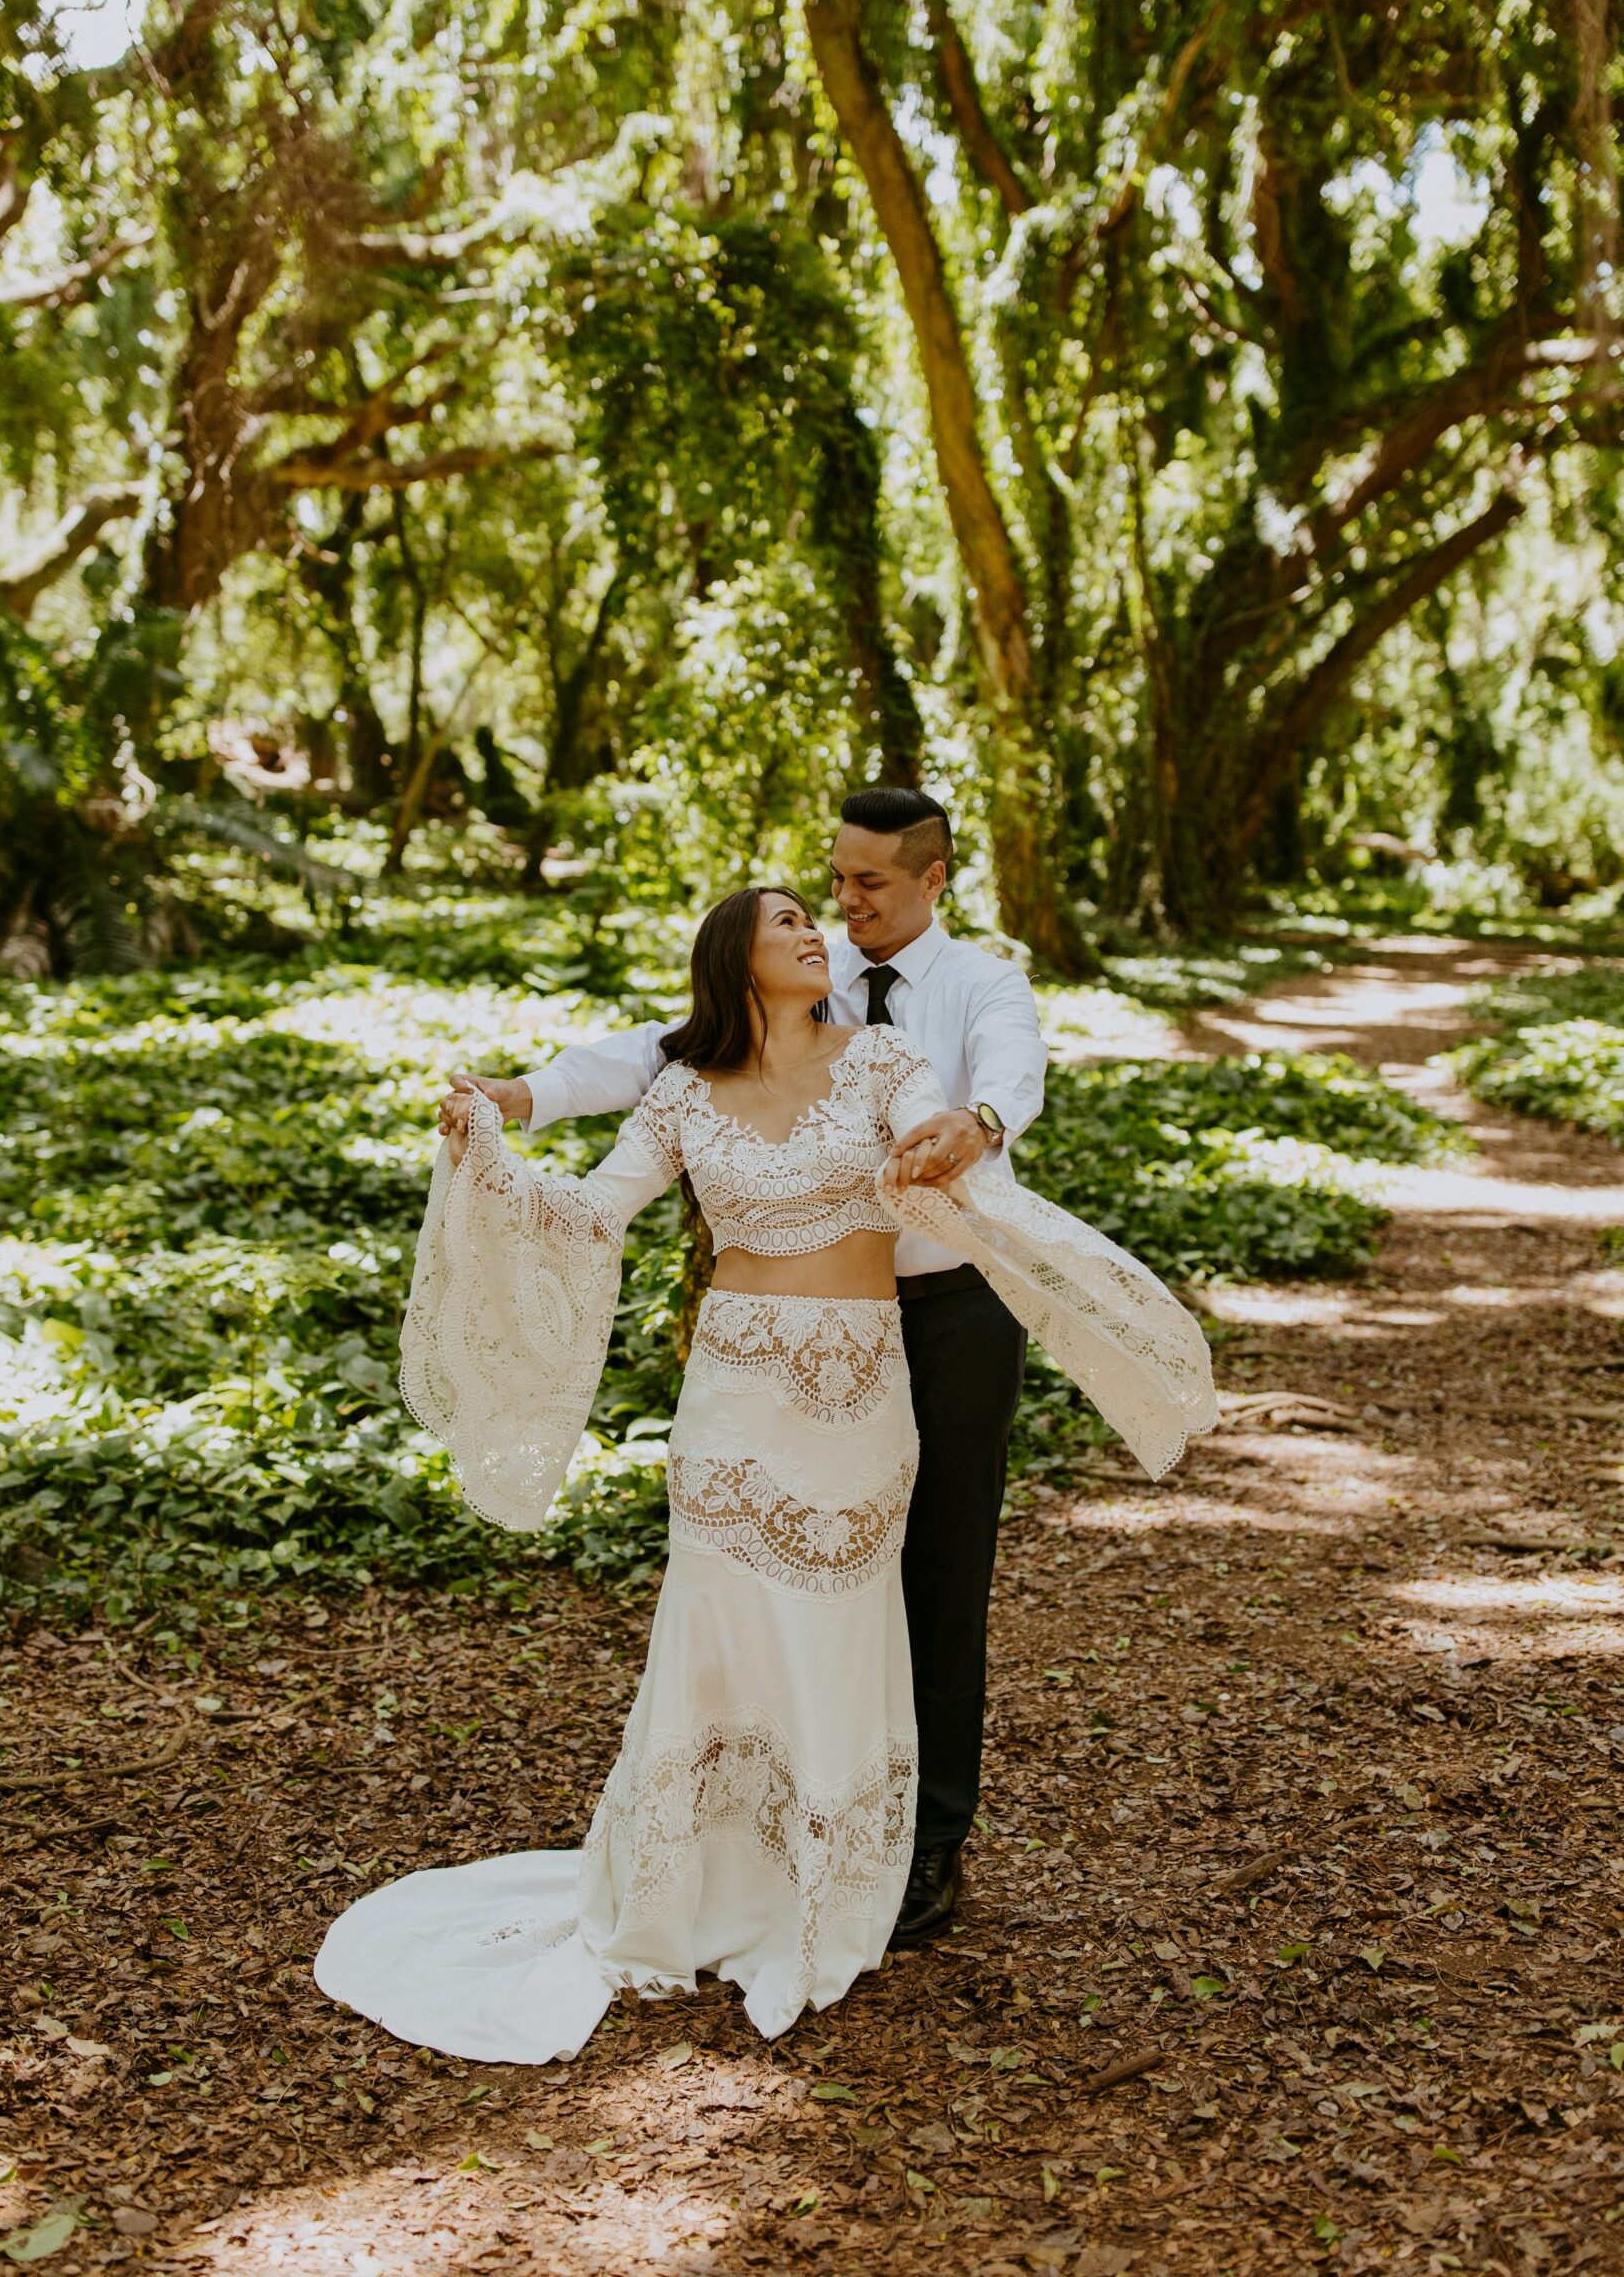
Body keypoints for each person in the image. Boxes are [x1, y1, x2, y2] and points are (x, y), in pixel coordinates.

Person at [314, 883, 1216, 2067]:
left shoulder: (889, 1061)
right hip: (735, 1397)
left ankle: (831, 1879)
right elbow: (591, 1213)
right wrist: (489, 1156)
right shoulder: (685, 1092)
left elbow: (953, 1152)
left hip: (860, 1394)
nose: (813, 932)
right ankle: (697, 1887)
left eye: (815, 918)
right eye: (789, 920)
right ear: (736, 956)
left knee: (844, 1628)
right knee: (724, 1634)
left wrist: (980, 1146)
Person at [451, 788, 1048, 1943]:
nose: (844, 902)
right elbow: (655, 1056)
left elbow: (1010, 1072)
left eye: (868, 882)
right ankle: (749, 1838)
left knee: (940, 1572)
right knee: (744, 1598)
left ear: (932, 880)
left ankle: (923, 1842)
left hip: (952, 1311)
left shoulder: (973, 993)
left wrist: (982, 1123)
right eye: (833, 880)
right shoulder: (769, 1016)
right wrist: (516, 1104)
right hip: (762, 1360)